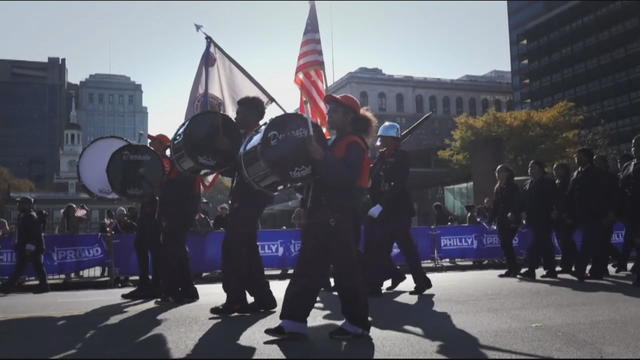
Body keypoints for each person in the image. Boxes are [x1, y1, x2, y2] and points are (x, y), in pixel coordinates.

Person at [265, 93, 374, 340]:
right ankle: (293, 322)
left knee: (346, 271)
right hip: (321, 214)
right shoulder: (333, 143)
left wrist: (320, 157)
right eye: (329, 110)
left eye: (334, 111)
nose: (328, 114)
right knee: (307, 269)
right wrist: (304, 204)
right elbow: (317, 180)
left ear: (348, 116)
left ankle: (357, 324)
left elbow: (345, 180)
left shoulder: (354, 143)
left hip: (341, 215)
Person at [211, 97, 277, 315]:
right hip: (243, 198)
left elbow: (252, 169)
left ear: (252, 115)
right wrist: (222, 152)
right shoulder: (245, 138)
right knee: (247, 250)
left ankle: (236, 299)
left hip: (252, 199)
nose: (236, 117)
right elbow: (231, 171)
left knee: (232, 249)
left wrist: (230, 151)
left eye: (240, 113)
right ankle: (263, 298)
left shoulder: (260, 138)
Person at [363, 121, 432, 297]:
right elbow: (373, 181)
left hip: (398, 210)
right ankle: (376, 284)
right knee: (379, 250)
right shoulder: (380, 157)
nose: (382, 142)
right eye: (381, 139)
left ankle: (421, 281)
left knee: (407, 249)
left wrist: (381, 204)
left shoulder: (402, 157)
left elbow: (398, 184)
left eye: (385, 139)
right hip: (383, 212)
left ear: (393, 140)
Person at [153, 132, 202, 304]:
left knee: (171, 254)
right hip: (176, 216)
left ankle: (173, 291)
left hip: (177, 217)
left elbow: (187, 196)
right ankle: (186, 290)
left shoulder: (182, 169)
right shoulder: (177, 167)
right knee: (178, 253)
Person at [566, 148, 613, 282]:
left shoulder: (597, 173)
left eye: (579, 156)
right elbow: (570, 194)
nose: (576, 158)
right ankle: (597, 270)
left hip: (594, 214)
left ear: (586, 158)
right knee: (596, 243)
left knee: (588, 242)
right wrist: (567, 212)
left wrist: (608, 212)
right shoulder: (576, 173)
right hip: (579, 214)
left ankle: (580, 269)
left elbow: (604, 194)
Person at [0, 197, 49, 294]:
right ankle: (44, 286)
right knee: (30, 267)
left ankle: (8, 286)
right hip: (28, 246)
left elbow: (33, 233)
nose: (18, 205)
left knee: (33, 267)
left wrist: (29, 247)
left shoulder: (30, 216)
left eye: (21, 204)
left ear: (27, 205)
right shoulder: (23, 215)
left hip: (32, 247)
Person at [519, 160, 557, 280]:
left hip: (544, 217)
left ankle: (532, 269)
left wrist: (554, 211)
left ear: (540, 169)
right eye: (530, 167)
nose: (530, 170)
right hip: (531, 219)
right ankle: (549, 269)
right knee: (543, 244)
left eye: (533, 167)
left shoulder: (547, 182)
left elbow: (553, 199)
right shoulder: (527, 184)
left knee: (536, 244)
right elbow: (523, 202)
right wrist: (523, 213)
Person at [122, 196, 162, 300]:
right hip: (147, 210)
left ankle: (154, 286)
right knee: (141, 246)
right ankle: (146, 284)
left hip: (152, 208)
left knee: (154, 251)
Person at [487, 164, 522, 278]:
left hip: (511, 218)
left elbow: (517, 202)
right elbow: (496, 205)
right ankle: (512, 267)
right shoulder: (498, 187)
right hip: (501, 219)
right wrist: (491, 219)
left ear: (508, 173)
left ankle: (514, 267)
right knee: (504, 244)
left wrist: (514, 213)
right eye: (497, 172)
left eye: (502, 172)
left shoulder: (513, 186)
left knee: (507, 242)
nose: (499, 174)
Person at [593, 154, 622, 277]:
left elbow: (616, 197)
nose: (597, 165)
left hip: (607, 214)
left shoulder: (611, 177)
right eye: (595, 162)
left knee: (603, 242)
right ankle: (619, 258)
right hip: (596, 214)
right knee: (599, 242)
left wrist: (612, 213)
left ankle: (603, 267)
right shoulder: (593, 178)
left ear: (605, 163)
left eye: (599, 162)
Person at [619, 136, 640, 285]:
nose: (635, 148)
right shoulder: (628, 166)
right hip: (632, 210)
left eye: (638, 145)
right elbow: (621, 187)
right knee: (636, 241)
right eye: (633, 145)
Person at [552, 162, 576, 274]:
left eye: (559, 169)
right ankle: (567, 264)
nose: (556, 172)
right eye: (555, 169)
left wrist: (566, 213)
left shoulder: (569, 182)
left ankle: (573, 264)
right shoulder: (556, 183)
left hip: (566, 215)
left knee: (567, 241)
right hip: (557, 216)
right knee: (563, 241)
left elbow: (569, 199)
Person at [614, 152, 636, 273]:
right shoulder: (627, 168)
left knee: (632, 238)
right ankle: (623, 262)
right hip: (629, 209)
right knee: (630, 238)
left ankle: (624, 262)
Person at [57, 203, 89, 280]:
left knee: (77, 258)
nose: (74, 211)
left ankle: (77, 273)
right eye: (72, 210)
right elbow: (60, 230)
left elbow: (87, 219)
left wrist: (86, 210)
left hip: (75, 240)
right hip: (67, 242)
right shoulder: (64, 219)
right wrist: (66, 233)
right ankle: (68, 274)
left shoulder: (77, 217)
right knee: (68, 259)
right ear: (68, 211)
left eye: (74, 209)